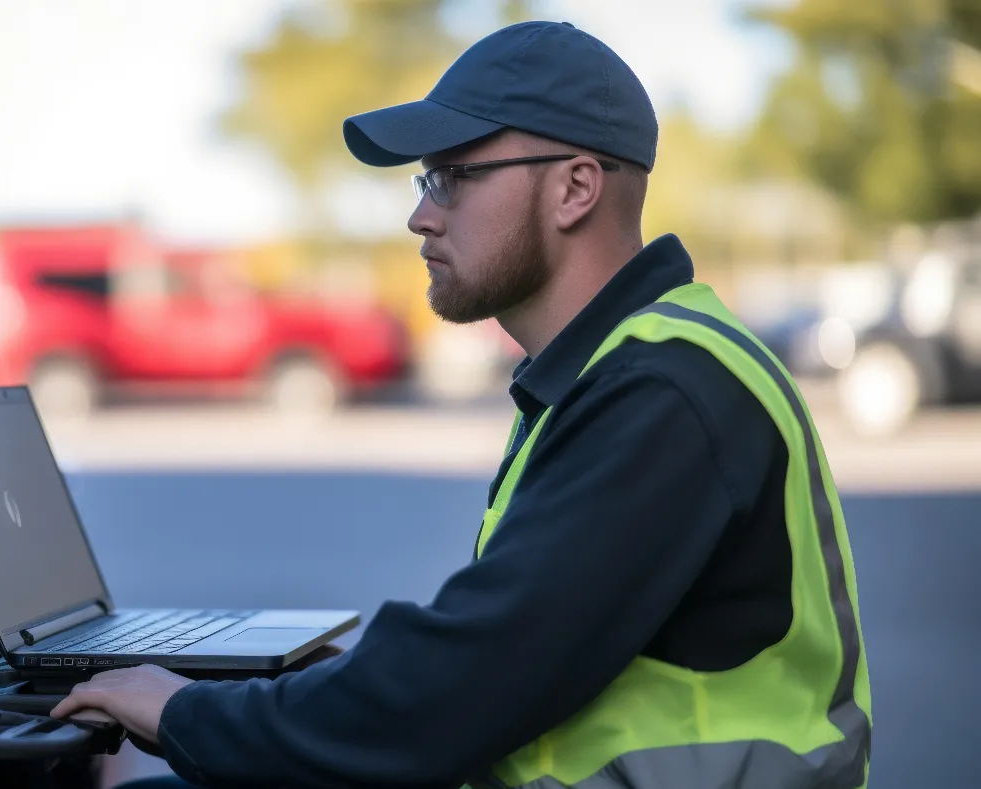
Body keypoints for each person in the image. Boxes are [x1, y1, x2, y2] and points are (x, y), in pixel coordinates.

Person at [52, 19, 872, 789]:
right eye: (424, 180)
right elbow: (505, 644)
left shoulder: (662, 390)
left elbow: (456, 691)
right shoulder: (611, 371)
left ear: (574, 188)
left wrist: (185, 710)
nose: (419, 214)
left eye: (453, 176)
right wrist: (322, 684)